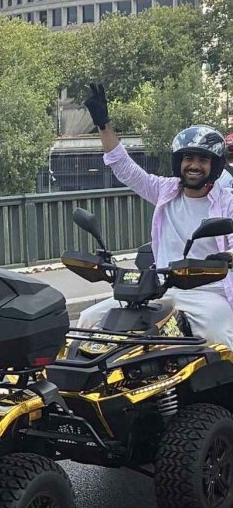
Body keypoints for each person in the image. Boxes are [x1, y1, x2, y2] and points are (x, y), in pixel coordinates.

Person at [79, 84, 233, 346]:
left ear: (214, 166)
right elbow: (123, 167)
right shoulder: (165, 190)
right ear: (178, 162)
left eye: (202, 160)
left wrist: (226, 258)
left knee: (221, 337)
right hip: (160, 288)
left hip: (208, 293)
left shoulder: (228, 202)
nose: (193, 165)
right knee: (88, 320)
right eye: (187, 158)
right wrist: (103, 124)